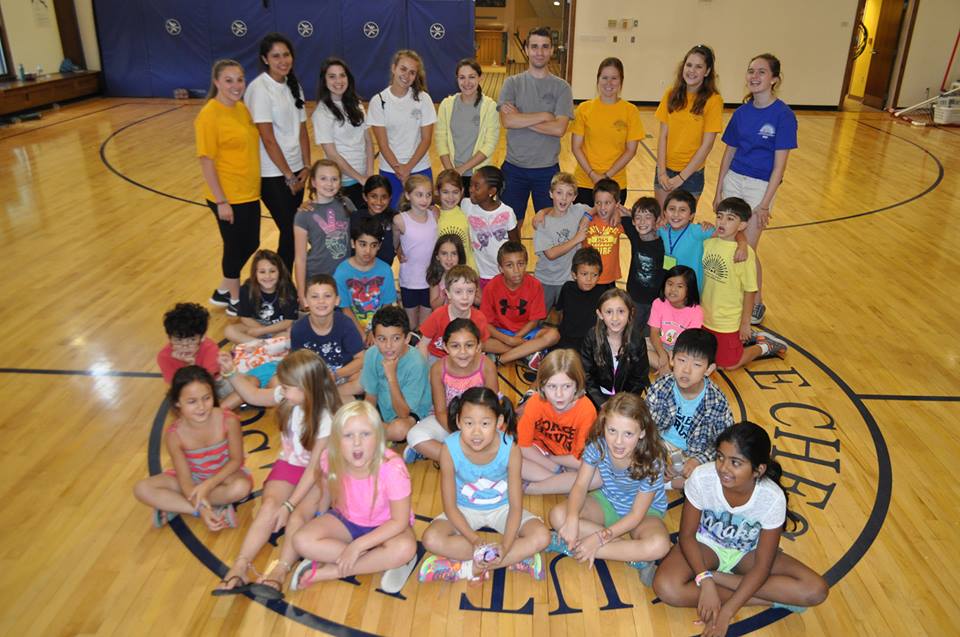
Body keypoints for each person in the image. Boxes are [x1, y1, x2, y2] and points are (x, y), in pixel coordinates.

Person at [653, 422, 829, 634]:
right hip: (705, 545)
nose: (723, 468)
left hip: (748, 554)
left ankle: (720, 579)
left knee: (815, 590)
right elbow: (687, 536)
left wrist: (726, 610)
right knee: (667, 588)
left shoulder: (772, 498)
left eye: (735, 462)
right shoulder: (702, 478)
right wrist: (705, 581)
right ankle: (769, 600)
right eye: (720, 457)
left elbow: (762, 566)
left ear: (758, 470)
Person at [211, 350, 341, 596]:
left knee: (297, 517)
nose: (281, 389)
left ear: (305, 389)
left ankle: (280, 570)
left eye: (287, 387)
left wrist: (290, 505)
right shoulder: (289, 395)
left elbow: (314, 469)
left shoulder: (326, 418)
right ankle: (240, 565)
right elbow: (253, 395)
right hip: (291, 464)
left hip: (318, 474)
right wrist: (231, 373)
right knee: (269, 506)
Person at [419, 388, 550, 582]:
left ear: (499, 422)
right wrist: (474, 539)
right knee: (431, 539)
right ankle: (515, 558)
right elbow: (450, 507)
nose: (476, 432)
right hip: (463, 509)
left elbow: (515, 506)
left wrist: (505, 546)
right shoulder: (449, 448)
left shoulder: (511, 448)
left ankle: (466, 568)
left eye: (485, 423)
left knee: (542, 536)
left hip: (503, 508)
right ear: (458, 421)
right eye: (469, 423)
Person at [290, 401, 419, 595]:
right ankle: (376, 560)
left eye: (365, 434)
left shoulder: (393, 468)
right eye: (348, 435)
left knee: (405, 548)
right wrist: (320, 520)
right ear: (336, 440)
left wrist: (357, 546)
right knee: (301, 540)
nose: (357, 442)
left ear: (378, 437)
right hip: (348, 521)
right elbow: (325, 491)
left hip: (387, 526)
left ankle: (335, 570)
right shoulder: (330, 458)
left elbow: (399, 522)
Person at [547, 393, 670, 586]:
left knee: (660, 545)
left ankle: (574, 545)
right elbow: (580, 485)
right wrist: (571, 519)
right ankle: (633, 556)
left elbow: (636, 515)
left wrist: (598, 539)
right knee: (558, 515)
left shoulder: (652, 460)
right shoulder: (597, 446)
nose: (618, 442)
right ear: (603, 425)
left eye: (628, 434)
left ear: (642, 433)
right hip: (607, 501)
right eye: (612, 431)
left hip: (645, 514)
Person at [715, 53, 797, 325]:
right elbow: (728, 153)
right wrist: (718, 191)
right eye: (751, 71)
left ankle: (756, 302)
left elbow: (779, 167)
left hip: (760, 187)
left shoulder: (783, 116)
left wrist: (764, 204)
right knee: (728, 243)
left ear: (774, 79)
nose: (754, 76)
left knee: (747, 248)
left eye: (761, 72)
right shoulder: (742, 113)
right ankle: (730, 298)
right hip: (734, 180)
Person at [134, 366, 251, 531]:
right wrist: (201, 509)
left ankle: (174, 503)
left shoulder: (229, 420)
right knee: (142, 489)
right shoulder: (174, 435)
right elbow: (185, 481)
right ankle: (202, 510)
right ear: (177, 402)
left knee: (242, 487)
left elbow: (236, 460)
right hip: (192, 480)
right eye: (192, 401)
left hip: (224, 476)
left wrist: (208, 485)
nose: (201, 407)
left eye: (207, 398)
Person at [196, 59, 260, 316]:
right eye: (229, 80)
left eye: (240, 79)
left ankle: (223, 289)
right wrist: (221, 201)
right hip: (228, 196)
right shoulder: (209, 115)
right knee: (234, 247)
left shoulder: (241, 109)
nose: (236, 85)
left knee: (251, 242)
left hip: (248, 192)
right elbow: (206, 160)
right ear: (216, 82)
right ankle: (235, 299)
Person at [498, 27, 574, 236]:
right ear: (526, 50)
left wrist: (521, 118)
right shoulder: (512, 83)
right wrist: (545, 115)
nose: (539, 52)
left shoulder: (562, 88)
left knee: (549, 227)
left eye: (545, 47)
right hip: (514, 169)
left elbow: (559, 129)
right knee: (512, 227)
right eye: (534, 47)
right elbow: (507, 120)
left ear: (552, 51)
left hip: (547, 170)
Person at [245, 33, 310, 272]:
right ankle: (279, 281)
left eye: (286, 55)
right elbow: (268, 138)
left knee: (292, 232)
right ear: (265, 59)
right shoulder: (259, 89)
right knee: (291, 230)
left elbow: (302, 129)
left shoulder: (293, 85)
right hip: (273, 174)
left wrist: (306, 166)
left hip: (296, 170)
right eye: (276, 56)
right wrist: (289, 176)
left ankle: (282, 283)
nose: (283, 60)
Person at [702, 198, 787, 370]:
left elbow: (750, 290)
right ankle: (751, 338)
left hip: (728, 321)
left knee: (729, 365)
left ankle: (765, 346)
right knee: (705, 359)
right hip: (704, 317)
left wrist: (745, 323)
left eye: (730, 219)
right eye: (719, 216)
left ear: (742, 225)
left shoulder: (744, 254)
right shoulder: (708, 243)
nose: (722, 222)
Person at [495, 247, 612, 370]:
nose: (589, 279)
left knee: (583, 366)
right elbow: (560, 314)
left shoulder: (603, 292)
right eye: (584, 274)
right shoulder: (567, 288)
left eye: (594, 275)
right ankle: (525, 357)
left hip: (589, 342)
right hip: (566, 340)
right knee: (553, 364)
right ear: (574, 274)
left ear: (599, 275)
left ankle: (523, 354)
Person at [645, 328, 732, 491]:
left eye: (697, 365)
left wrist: (698, 460)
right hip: (660, 444)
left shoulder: (717, 402)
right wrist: (656, 454)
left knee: (715, 477)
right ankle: (666, 481)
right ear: (671, 359)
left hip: (694, 454)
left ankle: (666, 482)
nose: (686, 370)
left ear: (709, 369)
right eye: (682, 360)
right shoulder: (661, 387)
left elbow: (723, 443)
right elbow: (645, 424)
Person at [406, 319, 498, 463]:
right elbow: (440, 412)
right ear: (445, 347)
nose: (463, 352)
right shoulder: (438, 369)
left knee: (504, 436)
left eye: (469, 345)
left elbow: (493, 408)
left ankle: (452, 455)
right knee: (414, 435)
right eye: (455, 346)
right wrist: (460, 434)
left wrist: (475, 432)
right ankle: (467, 458)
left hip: (480, 423)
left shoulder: (487, 365)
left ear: (478, 346)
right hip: (449, 423)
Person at [515, 349, 598, 495]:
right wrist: (554, 468)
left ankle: (545, 485)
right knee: (510, 456)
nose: (559, 394)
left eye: (566, 386)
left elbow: (580, 460)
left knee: (597, 475)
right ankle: (560, 483)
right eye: (552, 386)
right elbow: (523, 445)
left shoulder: (587, 411)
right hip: (539, 453)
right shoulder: (535, 402)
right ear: (541, 386)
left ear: (577, 385)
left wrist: (554, 459)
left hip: (569, 460)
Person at [655, 45, 723, 206]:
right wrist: (661, 172)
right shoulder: (670, 94)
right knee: (661, 219)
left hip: (692, 175)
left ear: (707, 71)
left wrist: (681, 177)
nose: (692, 70)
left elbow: (707, 145)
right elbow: (663, 136)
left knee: (682, 222)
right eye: (689, 65)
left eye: (699, 66)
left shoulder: (713, 101)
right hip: (665, 171)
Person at [368, 50, 436, 209]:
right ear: (394, 68)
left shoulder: (423, 99)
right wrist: (401, 170)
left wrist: (408, 168)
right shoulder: (378, 101)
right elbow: (383, 144)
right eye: (403, 69)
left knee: (423, 215)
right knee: (393, 217)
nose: (407, 75)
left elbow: (426, 140)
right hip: (390, 170)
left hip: (420, 168)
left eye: (412, 72)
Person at [571, 57, 642, 205]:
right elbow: (576, 147)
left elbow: (631, 150)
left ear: (621, 81)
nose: (609, 83)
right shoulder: (584, 109)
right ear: (598, 80)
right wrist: (592, 174)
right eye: (604, 77)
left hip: (615, 184)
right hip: (584, 182)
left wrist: (606, 176)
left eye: (614, 78)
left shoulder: (630, 111)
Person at [361, 306, 433, 443]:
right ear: (374, 339)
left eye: (396, 338)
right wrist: (366, 418)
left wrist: (391, 377)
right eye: (382, 339)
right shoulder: (371, 354)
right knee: (350, 409)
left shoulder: (417, 363)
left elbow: (403, 413)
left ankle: (366, 435)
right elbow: (371, 396)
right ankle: (371, 433)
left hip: (409, 414)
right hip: (383, 410)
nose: (389, 346)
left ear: (407, 338)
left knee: (399, 430)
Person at [290, 274, 364, 401]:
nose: (321, 301)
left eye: (327, 296)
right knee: (285, 383)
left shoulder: (345, 324)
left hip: (343, 375)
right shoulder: (298, 329)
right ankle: (328, 397)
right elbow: (298, 364)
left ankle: (325, 396)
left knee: (363, 381)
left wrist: (336, 375)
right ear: (305, 301)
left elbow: (361, 359)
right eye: (315, 296)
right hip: (314, 380)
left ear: (337, 300)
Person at [313, 57, 373, 211]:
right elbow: (332, 154)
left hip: (363, 180)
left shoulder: (357, 104)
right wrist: (359, 178)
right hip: (342, 183)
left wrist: (369, 175)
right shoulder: (322, 112)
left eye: (342, 75)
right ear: (324, 81)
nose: (338, 81)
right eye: (332, 76)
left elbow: (368, 140)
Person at [435, 59, 500, 193]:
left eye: (472, 77)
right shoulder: (446, 105)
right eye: (462, 77)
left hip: (479, 177)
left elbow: (489, 144)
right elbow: (441, 140)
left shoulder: (490, 106)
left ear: (480, 77)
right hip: (452, 174)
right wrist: (451, 172)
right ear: (457, 79)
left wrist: (462, 169)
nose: (467, 83)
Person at [480, 242, 550, 362]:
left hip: (526, 333)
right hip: (501, 333)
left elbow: (534, 321)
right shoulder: (491, 287)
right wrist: (509, 340)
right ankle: (527, 352)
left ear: (526, 264)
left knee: (553, 335)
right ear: (501, 268)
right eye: (509, 265)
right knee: (479, 342)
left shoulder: (535, 285)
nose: (516, 270)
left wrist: (516, 338)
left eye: (520, 264)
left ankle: (501, 358)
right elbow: (486, 323)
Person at [293, 159, 351, 305]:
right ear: (313, 182)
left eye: (334, 179)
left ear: (340, 182)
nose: (329, 184)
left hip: (344, 278)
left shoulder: (346, 204)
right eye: (323, 178)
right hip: (316, 279)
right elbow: (300, 258)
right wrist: (301, 292)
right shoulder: (303, 214)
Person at [580, 288, 649, 409]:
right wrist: (601, 402)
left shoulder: (637, 340)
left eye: (621, 311)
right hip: (596, 397)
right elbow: (585, 374)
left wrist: (625, 403)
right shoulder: (592, 337)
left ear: (630, 313)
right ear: (600, 314)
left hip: (625, 399)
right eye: (609, 312)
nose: (615, 318)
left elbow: (639, 378)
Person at [532, 172, 591, 311]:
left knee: (567, 316)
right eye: (559, 193)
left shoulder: (577, 210)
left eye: (569, 194)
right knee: (538, 317)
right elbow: (551, 254)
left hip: (569, 280)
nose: (564, 198)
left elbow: (595, 209)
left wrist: (587, 217)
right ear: (551, 194)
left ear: (574, 197)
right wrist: (576, 239)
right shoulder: (543, 222)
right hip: (546, 280)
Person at [334, 216, 398, 342]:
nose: (368, 251)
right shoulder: (342, 271)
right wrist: (363, 335)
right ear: (353, 243)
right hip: (349, 328)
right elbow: (345, 309)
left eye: (373, 245)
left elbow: (386, 306)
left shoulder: (385, 270)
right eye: (362, 244)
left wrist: (375, 331)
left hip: (379, 328)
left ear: (379, 246)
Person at [225, 249, 299, 345]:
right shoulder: (246, 289)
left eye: (272, 271)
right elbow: (245, 317)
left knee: (290, 334)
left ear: (280, 272)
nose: (267, 276)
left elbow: (288, 321)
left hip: (279, 329)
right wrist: (262, 330)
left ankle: (258, 345)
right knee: (229, 330)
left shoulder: (288, 289)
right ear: (255, 273)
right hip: (256, 327)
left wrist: (263, 331)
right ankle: (264, 345)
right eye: (262, 272)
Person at [418, 265, 491, 362]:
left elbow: (480, 345)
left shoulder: (479, 318)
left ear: (475, 292)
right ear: (448, 293)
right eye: (458, 292)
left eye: (470, 291)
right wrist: (425, 368)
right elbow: (423, 344)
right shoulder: (438, 315)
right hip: (437, 357)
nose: (465, 297)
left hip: (466, 357)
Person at [395, 174, 438, 329]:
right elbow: (395, 244)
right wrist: (399, 251)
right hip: (409, 280)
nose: (424, 199)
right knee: (411, 325)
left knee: (425, 326)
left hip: (430, 280)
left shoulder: (434, 214)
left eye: (428, 195)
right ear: (408, 195)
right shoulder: (400, 220)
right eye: (419, 195)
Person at [460, 165, 516, 287]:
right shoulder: (466, 205)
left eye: (476, 186)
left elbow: (515, 245)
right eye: (470, 185)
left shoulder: (507, 212)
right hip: (476, 274)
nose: (471, 190)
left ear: (492, 191)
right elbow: (446, 199)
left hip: (501, 276)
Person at [648, 265, 703, 376]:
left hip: (680, 350)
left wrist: (671, 358)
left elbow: (688, 344)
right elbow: (654, 333)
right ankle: (669, 370)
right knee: (636, 346)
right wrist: (662, 354)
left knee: (693, 358)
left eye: (679, 286)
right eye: (670, 284)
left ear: (689, 290)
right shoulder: (658, 303)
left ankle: (667, 369)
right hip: (659, 344)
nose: (673, 289)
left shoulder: (696, 311)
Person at [620, 197, 665, 329]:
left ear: (657, 220)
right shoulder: (634, 233)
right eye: (638, 218)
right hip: (635, 298)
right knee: (631, 332)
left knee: (651, 335)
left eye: (648, 217)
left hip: (657, 302)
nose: (642, 222)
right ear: (633, 221)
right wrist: (629, 213)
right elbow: (616, 210)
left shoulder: (664, 242)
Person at [582, 178, 625, 285]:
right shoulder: (587, 220)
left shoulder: (618, 221)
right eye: (598, 203)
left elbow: (640, 219)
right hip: (588, 279)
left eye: (607, 203)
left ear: (617, 203)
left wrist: (617, 211)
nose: (602, 208)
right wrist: (590, 213)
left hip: (609, 279)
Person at [434, 169, 476, 270]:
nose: (450, 197)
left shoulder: (466, 211)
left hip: (467, 271)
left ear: (462, 191)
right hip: (442, 272)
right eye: (445, 192)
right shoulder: (434, 215)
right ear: (437, 192)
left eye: (455, 192)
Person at [350, 175, 397, 266]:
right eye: (373, 196)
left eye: (384, 197)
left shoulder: (395, 219)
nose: (379, 202)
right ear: (365, 197)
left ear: (390, 198)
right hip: (358, 270)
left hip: (383, 270)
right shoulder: (355, 217)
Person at [426, 233, 467, 310]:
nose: (449, 258)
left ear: (460, 256)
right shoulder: (436, 277)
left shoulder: (467, 275)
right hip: (443, 315)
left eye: (454, 254)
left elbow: (479, 300)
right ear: (437, 256)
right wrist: (443, 294)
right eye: (444, 254)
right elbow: (434, 306)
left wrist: (469, 291)